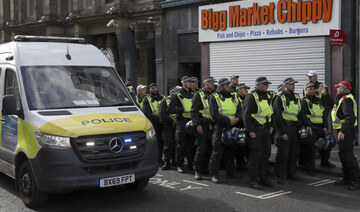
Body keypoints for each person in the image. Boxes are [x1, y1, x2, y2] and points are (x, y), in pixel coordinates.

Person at [273, 77, 312, 185]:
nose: (293, 86)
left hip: (293, 128)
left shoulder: (296, 97)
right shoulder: (279, 98)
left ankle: (292, 173)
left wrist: (308, 124)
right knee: (283, 154)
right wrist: (282, 133)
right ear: (285, 86)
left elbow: (301, 113)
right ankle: (280, 176)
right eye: (291, 84)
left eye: (294, 84)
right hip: (283, 127)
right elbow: (277, 117)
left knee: (295, 151)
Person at [243, 77, 275, 190]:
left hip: (265, 129)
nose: (267, 86)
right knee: (255, 156)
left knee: (265, 155)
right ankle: (253, 180)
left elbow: (271, 113)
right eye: (265, 85)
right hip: (255, 130)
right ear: (259, 85)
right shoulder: (251, 96)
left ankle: (263, 178)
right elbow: (246, 115)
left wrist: (272, 126)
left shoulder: (267, 96)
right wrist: (250, 130)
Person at [208, 78, 242, 184]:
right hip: (220, 127)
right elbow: (214, 114)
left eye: (228, 85)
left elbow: (240, 110)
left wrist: (237, 118)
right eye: (226, 85)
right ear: (220, 87)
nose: (228, 87)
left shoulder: (234, 96)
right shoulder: (214, 97)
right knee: (217, 151)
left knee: (231, 151)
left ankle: (230, 172)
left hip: (232, 126)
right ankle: (214, 174)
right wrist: (228, 120)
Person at [304, 70, 335, 168]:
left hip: (321, 112)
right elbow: (306, 99)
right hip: (312, 115)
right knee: (311, 145)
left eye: (311, 76)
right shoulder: (306, 86)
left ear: (316, 77)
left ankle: (325, 161)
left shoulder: (322, 85)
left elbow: (327, 100)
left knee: (327, 141)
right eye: (308, 77)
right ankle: (309, 165)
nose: (309, 78)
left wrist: (324, 112)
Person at [332, 81, 360, 190]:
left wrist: (342, 131)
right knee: (343, 154)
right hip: (345, 130)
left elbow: (350, 118)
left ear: (343, 89)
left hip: (346, 131)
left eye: (338, 88)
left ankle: (357, 180)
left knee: (348, 156)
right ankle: (346, 178)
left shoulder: (346, 100)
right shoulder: (343, 99)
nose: (336, 89)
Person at [299, 82, 331, 176]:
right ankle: (310, 169)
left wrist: (325, 126)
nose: (312, 91)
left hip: (320, 127)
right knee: (311, 150)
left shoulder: (319, 100)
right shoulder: (304, 101)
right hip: (311, 128)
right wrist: (308, 125)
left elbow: (324, 114)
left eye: (313, 89)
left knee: (328, 144)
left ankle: (325, 162)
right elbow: (302, 115)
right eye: (310, 89)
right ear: (305, 90)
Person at [167, 76, 196, 173]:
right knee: (180, 145)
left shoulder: (193, 93)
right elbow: (169, 109)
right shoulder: (178, 94)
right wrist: (181, 110)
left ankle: (190, 165)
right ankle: (179, 165)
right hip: (182, 121)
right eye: (188, 82)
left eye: (190, 82)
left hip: (192, 121)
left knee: (191, 144)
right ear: (183, 83)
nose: (190, 83)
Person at [191, 76, 216, 180]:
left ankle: (206, 168)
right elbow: (194, 111)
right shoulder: (199, 95)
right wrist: (198, 124)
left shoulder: (215, 94)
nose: (213, 84)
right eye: (211, 83)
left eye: (213, 83)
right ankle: (197, 170)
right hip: (203, 124)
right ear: (205, 84)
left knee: (210, 148)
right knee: (201, 148)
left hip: (213, 124)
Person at [142, 83, 165, 166]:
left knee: (162, 142)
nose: (154, 89)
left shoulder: (163, 97)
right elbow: (146, 113)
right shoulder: (146, 99)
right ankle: (156, 160)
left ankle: (162, 159)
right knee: (156, 143)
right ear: (150, 90)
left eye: (155, 87)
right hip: (153, 123)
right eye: (152, 88)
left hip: (163, 123)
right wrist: (158, 119)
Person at [159, 86, 180, 170]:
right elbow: (162, 114)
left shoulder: (180, 100)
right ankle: (166, 162)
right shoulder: (165, 101)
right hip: (168, 125)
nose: (178, 93)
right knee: (168, 145)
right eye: (176, 92)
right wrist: (171, 121)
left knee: (177, 144)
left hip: (178, 125)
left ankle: (175, 162)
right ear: (171, 92)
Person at [235, 83, 250, 170]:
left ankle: (242, 164)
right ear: (239, 90)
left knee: (244, 146)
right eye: (245, 89)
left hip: (244, 124)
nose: (247, 91)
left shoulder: (246, 98)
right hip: (238, 124)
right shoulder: (235, 98)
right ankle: (239, 165)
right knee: (239, 147)